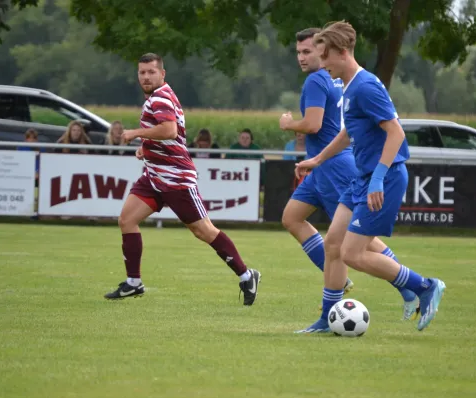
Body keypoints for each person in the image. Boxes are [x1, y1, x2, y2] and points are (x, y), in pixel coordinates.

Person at [294, 21, 445, 333]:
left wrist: (378, 178)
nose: (323, 65)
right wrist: (319, 158)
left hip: (383, 179)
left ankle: (424, 286)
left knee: (352, 252)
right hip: (360, 179)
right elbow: (350, 132)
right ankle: (327, 318)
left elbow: (395, 133)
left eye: (325, 58)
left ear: (342, 52)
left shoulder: (366, 86)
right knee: (333, 245)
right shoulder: (350, 87)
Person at [104, 53, 261, 306]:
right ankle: (134, 283)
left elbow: (169, 130)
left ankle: (246, 275)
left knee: (203, 231)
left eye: (151, 72)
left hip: (176, 178)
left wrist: (136, 133)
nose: (145, 76)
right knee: (127, 219)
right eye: (142, 72)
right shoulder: (158, 97)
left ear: (162, 74)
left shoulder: (161, 96)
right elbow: (171, 136)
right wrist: (147, 148)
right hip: (155, 176)